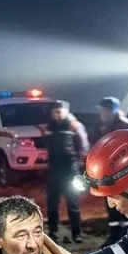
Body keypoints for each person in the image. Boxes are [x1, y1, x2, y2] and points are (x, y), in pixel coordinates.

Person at [39, 100, 90, 243]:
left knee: (73, 203)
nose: (56, 113)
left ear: (66, 111)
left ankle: (77, 233)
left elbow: (84, 145)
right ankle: (53, 232)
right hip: (54, 170)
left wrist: (79, 163)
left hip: (70, 170)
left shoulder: (74, 126)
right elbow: (44, 145)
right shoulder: (49, 127)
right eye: (54, 111)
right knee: (52, 203)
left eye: (59, 111)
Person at [89, 97, 128, 246]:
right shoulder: (101, 127)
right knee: (112, 206)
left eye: (105, 110)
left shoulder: (125, 126)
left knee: (125, 205)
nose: (102, 113)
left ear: (114, 110)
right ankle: (114, 237)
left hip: (123, 173)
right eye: (101, 110)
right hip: (106, 174)